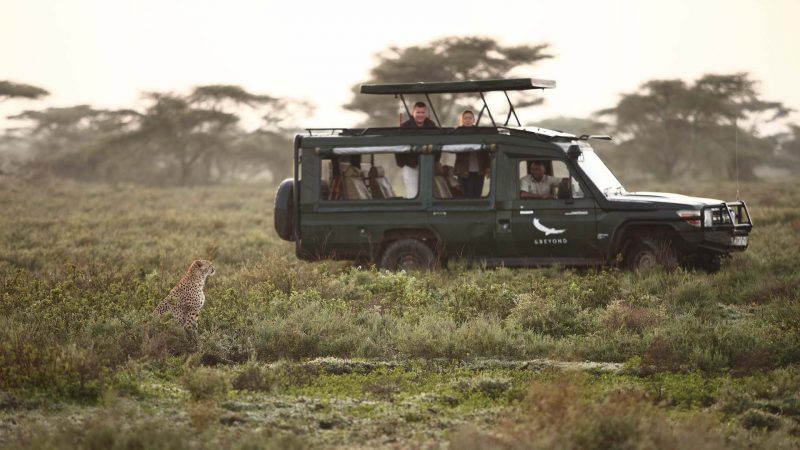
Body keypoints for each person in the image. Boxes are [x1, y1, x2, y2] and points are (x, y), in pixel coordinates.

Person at [396, 102, 437, 198]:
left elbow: (437, 143)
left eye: (423, 112)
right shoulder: (405, 127)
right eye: (418, 112)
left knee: (428, 193)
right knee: (412, 193)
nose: (420, 115)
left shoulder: (431, 126)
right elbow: (398, 146)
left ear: (426, 113)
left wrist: (436, 161)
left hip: (427, 165)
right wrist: (402, 163)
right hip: (410, 165)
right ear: (413, 112)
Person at [453, 110, 491, 198]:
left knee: (477, 194)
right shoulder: (458, 132)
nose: (468, 120)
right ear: (462, 120)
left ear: (474, 120)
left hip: (479, 171)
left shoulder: (479, 132)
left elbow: (486, 153)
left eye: (470, 118)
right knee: (467, 194)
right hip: (464, 171)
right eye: (465, 118)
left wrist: (488, 167)